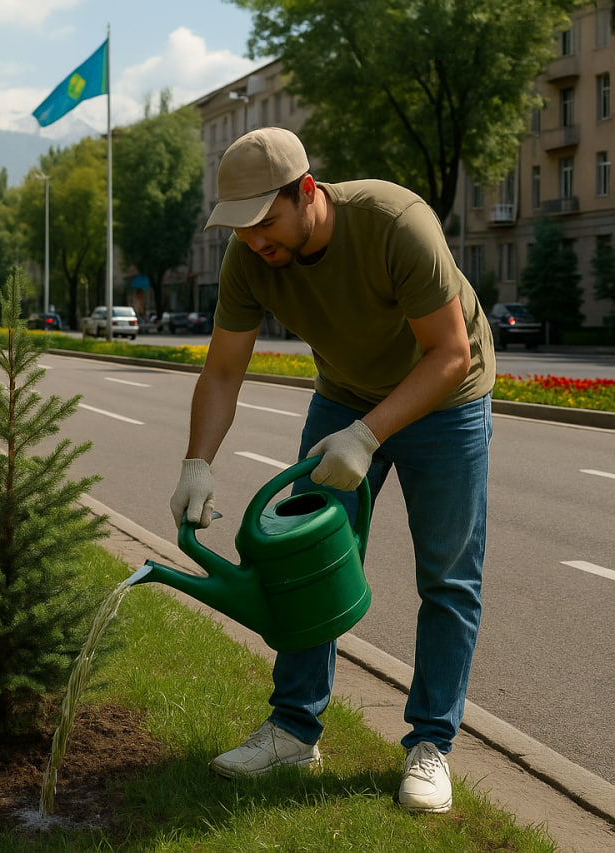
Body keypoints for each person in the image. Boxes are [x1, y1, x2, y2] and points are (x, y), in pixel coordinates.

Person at [169, 127, 495, 814]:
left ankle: (430, 743)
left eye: (266, 219)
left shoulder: (394, 223)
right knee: (303, 560)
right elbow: (224, 368)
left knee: (447, 572)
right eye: (241, 225)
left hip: (445, 395)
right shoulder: (251, 259)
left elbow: (449, 353)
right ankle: (294, 728)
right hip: (345, 392)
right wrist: (197, 461)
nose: (256, 238)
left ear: (308, 192)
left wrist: (369, 435)